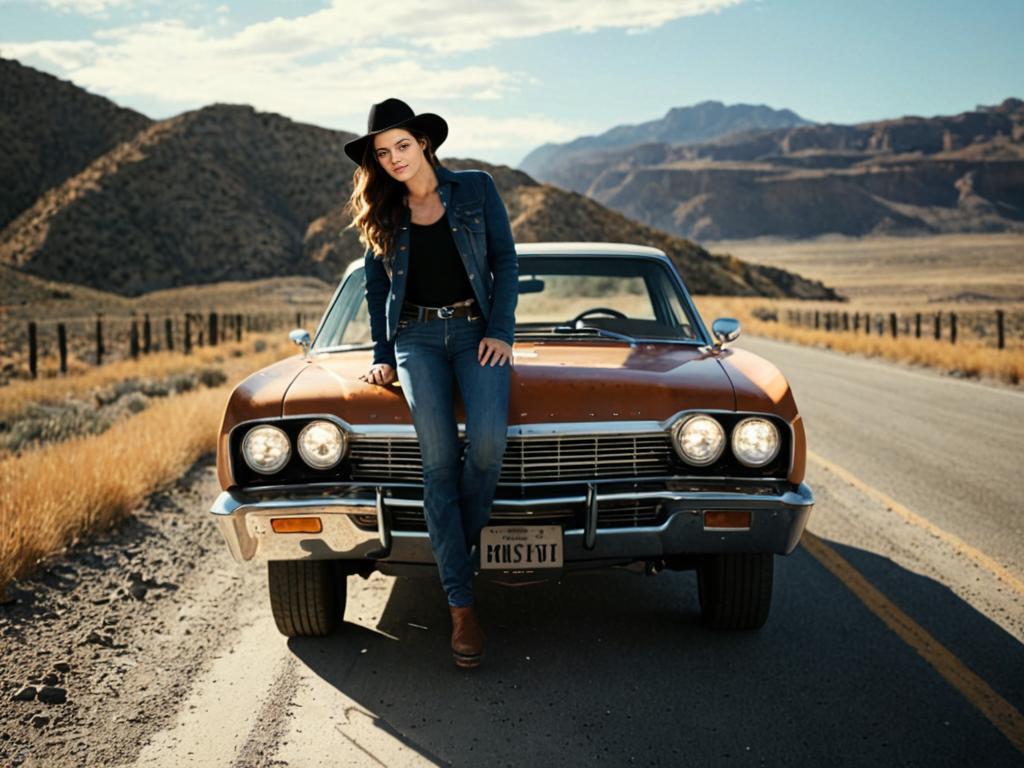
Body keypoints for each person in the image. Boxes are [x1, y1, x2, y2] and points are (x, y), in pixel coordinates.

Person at [342, 98, 518, 669]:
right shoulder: (382, 212)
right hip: (416, 340)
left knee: (488, 445)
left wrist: (501, 330)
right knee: (438, 461)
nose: (394, 159)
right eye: (382, 151)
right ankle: (462, 607)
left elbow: (506, 262)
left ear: (424, 143)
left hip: (475, 332)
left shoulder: (476, 189)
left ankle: (451, 551)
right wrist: (382, 354)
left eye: (402, 145)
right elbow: (375, 290)